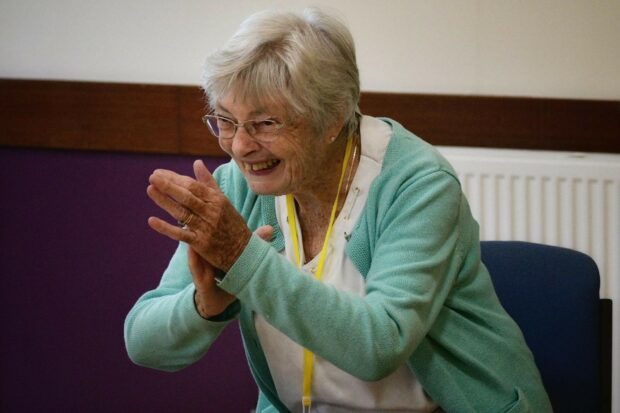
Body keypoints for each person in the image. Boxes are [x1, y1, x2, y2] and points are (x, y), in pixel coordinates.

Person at [124, 7, 551, 413]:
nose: (239, 146)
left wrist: (243, 259)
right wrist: (205, 305)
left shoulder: (417, 184)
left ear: (333, 118)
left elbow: (378, 345)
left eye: (266, 123)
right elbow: (142, 341)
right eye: (226, 120)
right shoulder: (237, 188)